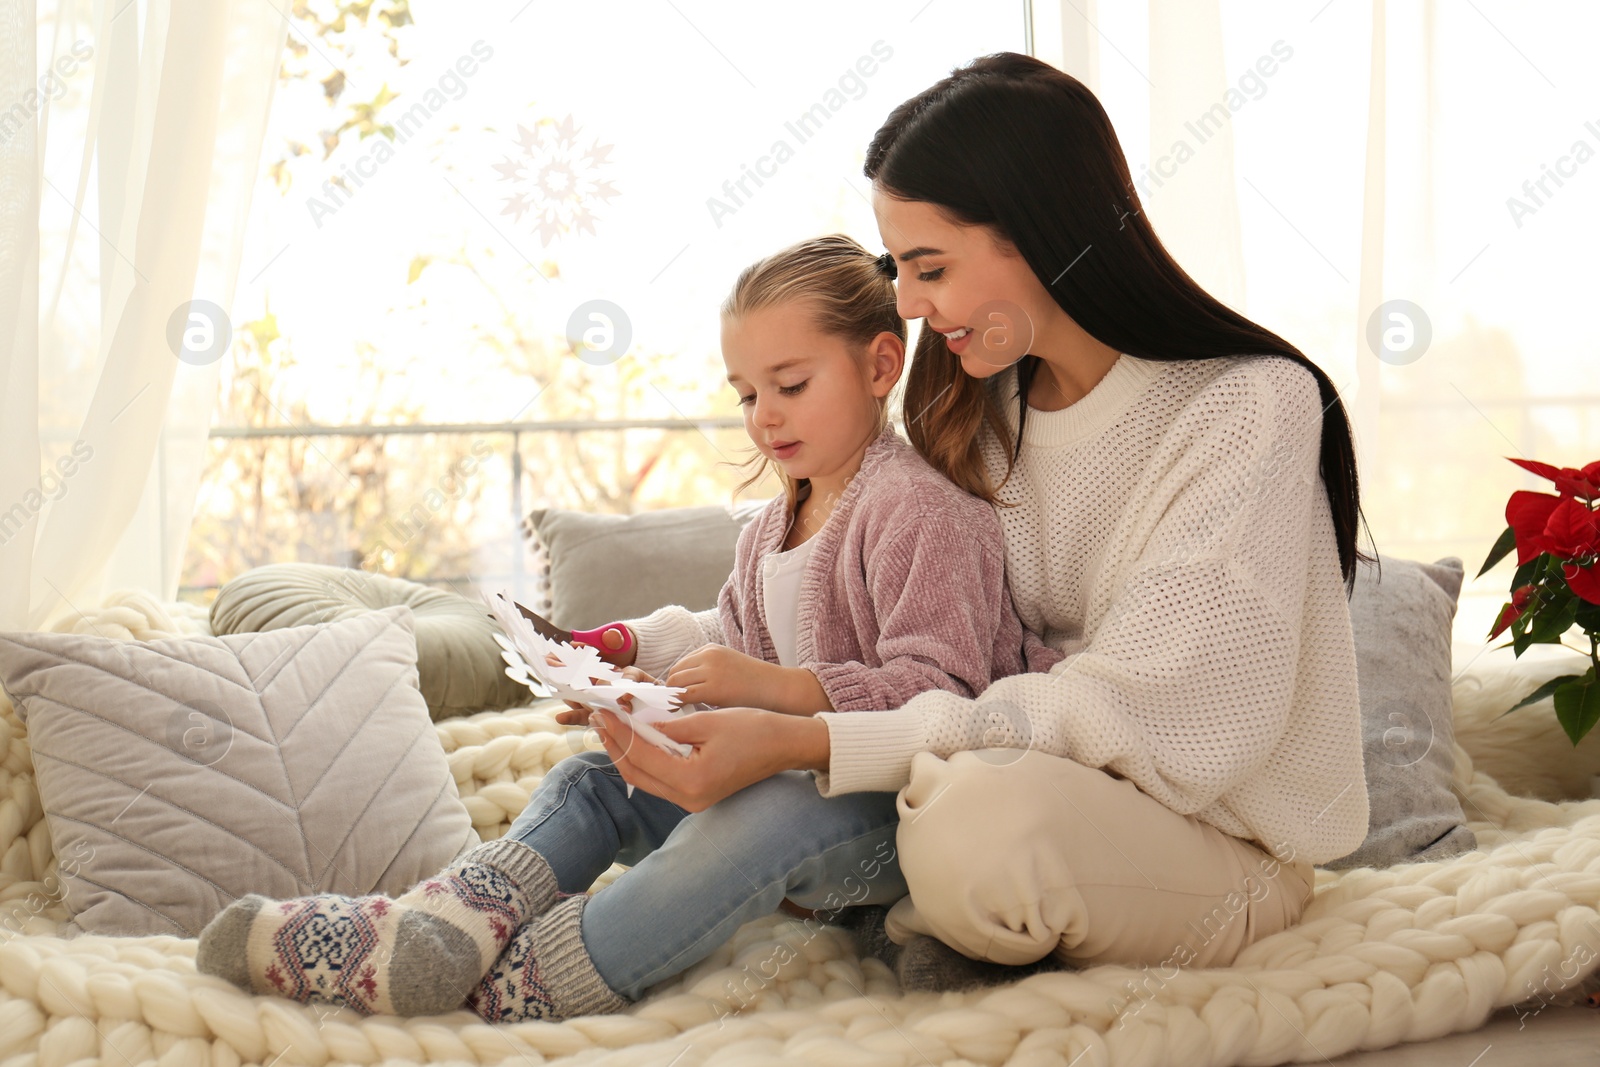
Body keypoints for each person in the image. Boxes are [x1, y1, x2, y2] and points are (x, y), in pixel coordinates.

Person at [583, 52, 1373, 986]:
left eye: (930, 268)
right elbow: (867, 608)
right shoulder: (979, 415)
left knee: (969, 827)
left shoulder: (1248, 408)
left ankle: (914, 914)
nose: (910, 308)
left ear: (1044, 234)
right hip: (996, 772)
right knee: (924, 798)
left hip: (1213, 844)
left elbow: (1155, 713)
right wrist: (654, 655)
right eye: (900, 271)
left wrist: (816, 735)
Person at [195, 233, 1057, 1020]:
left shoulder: (921, 511)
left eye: (791, 386)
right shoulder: (771, 526)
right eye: (748, 393)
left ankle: (530, 978)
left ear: (878, 367)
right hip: (780, 779)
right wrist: (622, 669)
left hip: (889, 814)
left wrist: (774, 691)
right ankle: (447, 923)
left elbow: (942, 694)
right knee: (589, 781)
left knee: (763, 820)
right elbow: (737, 630)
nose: (765, 415)